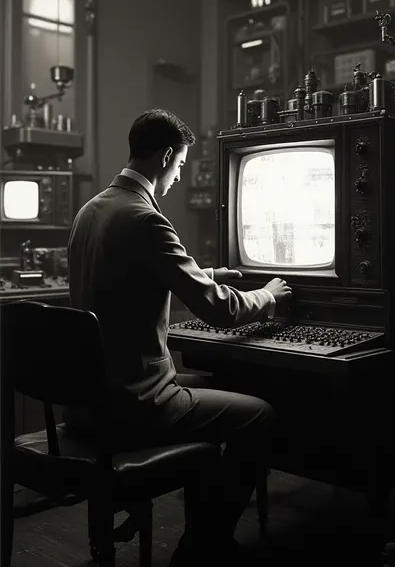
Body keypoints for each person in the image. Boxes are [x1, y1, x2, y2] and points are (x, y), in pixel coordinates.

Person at [66, 108, 292, 566]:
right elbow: (219, 310)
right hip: (136, 404)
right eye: (182, 165)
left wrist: (208, 273)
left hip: (89, 403)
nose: (178, 176)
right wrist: (267, 295)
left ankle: (201, 534)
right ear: (167, 155)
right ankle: (203, 546)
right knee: (258, 415)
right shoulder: (146, 219)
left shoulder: (91, 211)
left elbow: (132, 275)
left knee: (213, 394)